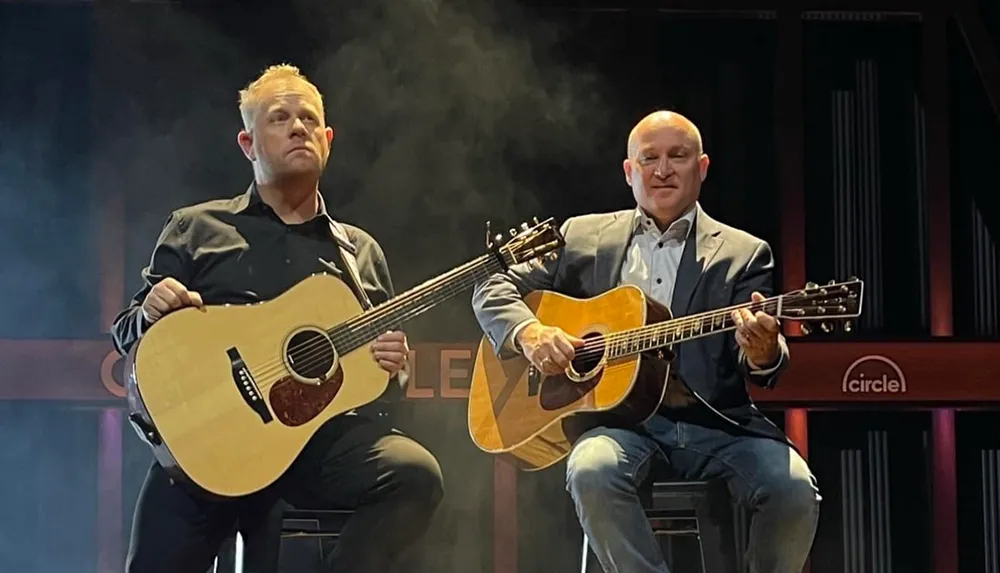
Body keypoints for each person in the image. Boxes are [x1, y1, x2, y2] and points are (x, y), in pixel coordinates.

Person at [111, 64, 444, 573]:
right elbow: (126, 331)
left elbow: (377, 383)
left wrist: (393, 366)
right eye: (280, 117)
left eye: (309, 118)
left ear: (328, 139)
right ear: (247, 142)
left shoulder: (359, 251)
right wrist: (149, 312)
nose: (298, 127)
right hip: (207, 444)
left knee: (414, 474)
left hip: (313, 445)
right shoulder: (197, 228)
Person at [471, 110, 819, 572]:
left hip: (714, 426)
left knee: (793, 487)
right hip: (618, 429)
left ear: (703, 166)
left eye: (678, 156)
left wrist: (762, 350)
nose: (662, 169)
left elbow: (757, 357)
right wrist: (529, 333)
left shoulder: (743, 252)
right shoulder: (583, 235)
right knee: (591, 469)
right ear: (629, 171)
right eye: (649, 158)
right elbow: (490, 286)